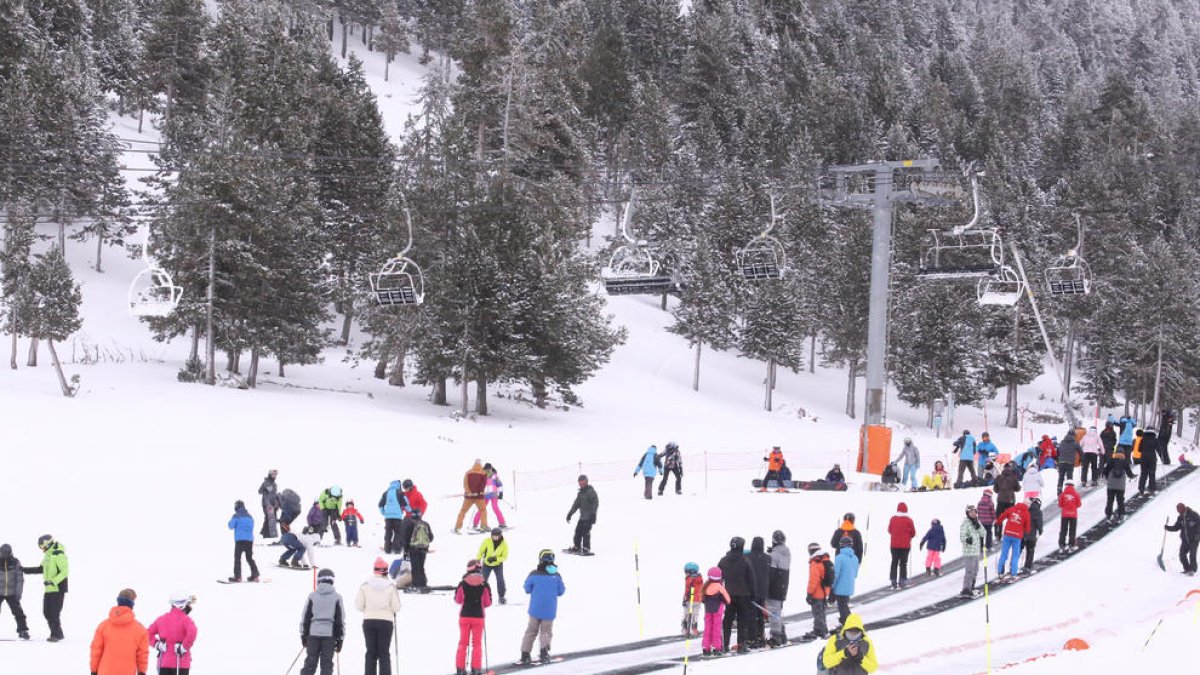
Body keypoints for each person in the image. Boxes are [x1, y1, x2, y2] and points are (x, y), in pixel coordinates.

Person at [520, 550, 565, 665]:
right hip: (549, 609)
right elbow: (561, 591)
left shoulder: (534, 574)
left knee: (531, 631)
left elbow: (527, 589)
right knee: (546, 631)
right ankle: (544, 653)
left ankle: (525, 654)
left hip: (535, 608)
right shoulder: (556, 575)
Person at [357, 558, 401, 675]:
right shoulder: (391, 586)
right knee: (384, 653)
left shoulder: (365, 585)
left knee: (371, 652)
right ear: (385, 571)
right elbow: (397, 608)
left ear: (374, 570)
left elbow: (359, 606)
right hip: (386, 622)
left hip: (369, 621)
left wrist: (369, 609)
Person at [90, 589, 148, 675]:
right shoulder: (140, 629)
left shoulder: (103, 626)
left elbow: (96, 650)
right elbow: (142, 655)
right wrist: (142, 671)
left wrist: (93, 670)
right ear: (132, 605)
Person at [21, 534, 67, 640]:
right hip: (49, 589)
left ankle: (56, 635)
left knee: (54, 613)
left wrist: (53, 581)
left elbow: (65, 572)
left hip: (58, 588)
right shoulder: (48, 555)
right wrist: (24, 570)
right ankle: (58, 633)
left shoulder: (58, 554)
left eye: (42, 546)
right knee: (46, 612)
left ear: (47, 543)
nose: (42, 549)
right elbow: (40, 569)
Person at [299, 569, 345, 675]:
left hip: (313, 634)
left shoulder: (312, 596)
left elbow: (306, 617)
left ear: (319, 580)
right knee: (326, 664)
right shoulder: (337, 597)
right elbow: (340, 620)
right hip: (329, 636)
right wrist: (340, 638)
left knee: (310, 662)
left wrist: (304, 635)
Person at [454, 560, 493, 675]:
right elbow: (488, 602)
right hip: (478, 617)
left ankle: (460, 669)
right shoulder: (484, 584)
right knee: (477, 644)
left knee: (462, 643)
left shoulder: (462, 583)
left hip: (464, 616)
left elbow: (458, 600)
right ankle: (476, 669)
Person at [718, 537, 755, 653]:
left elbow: (718, 577)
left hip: (728, 596)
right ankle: (742, 644)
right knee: (742, 621)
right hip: (743, 595)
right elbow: (751, 580)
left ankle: (724, 644)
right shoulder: (745, 561)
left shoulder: (723, 561)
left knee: (727, 621)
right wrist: (753, 595)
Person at [147, 591, 197, 675]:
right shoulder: (186, 620)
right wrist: (184, 647)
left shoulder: (161, 619)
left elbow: (147, 633)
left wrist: (157, 644)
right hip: (181, 663)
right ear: (183, 606)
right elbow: (192, 632)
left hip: (164, 663)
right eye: (188, 604)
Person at [766, 530, 791, 646]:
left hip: (774, 587)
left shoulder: (774, 555)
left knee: (773, 611)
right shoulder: (787, 553)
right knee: (778, 610)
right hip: (783, 586)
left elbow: (770, 572)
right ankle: (781, 633)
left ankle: (776, 636)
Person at [802, 543, 832, 641]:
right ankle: (819, 629)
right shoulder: (825, 560)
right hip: (824, 591)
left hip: (817, 592)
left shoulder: (815, 562)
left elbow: (813, 580)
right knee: (821, 612)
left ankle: (822, 631)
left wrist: (809, 593)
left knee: (817, 613)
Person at [996, 500, 1031, 580]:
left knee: (1004, 553)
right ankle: (1013, 574)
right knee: (1015, 555)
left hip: (1007, 533)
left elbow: (1003, 516)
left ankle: (1000, 572)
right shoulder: (1026, 513)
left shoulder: (1012, 508)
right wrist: (1025, 531)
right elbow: (1027, 528)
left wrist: (998, 522)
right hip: (1017, 536)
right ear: (1028, 506)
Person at [0, 543, 29, 640]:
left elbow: (20, 578)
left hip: (12, 593)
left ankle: (23, 630)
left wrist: (18, 593)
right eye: (3, 553)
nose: (4, 555)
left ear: (10, 553)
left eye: (6, 553)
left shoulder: (15, 562)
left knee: (18, 612)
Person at [747, 536, 771, 648]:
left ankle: (752, 638)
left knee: (751, 615)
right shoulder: (767, 558)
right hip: (763, 590)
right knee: (760, 614)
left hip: (751, 590)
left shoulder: (747, 557)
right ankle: (761, 635)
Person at [228, 500, 260, 582]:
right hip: (249, 540)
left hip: (240, 540)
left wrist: (233, 519)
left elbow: (230, 526)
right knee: (249, 558)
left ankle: (238, 577)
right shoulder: (250, 516)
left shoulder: (236, 516)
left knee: (237, 558)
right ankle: (255, 575)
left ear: (237, 506)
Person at [700, 567, 730, 657]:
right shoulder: (720, 588)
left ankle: (706, 648)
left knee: (707, 629)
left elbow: (702, 599)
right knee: (716, 629)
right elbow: (728, 600)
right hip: (718, 611)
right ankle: (717, 648)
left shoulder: (705, 587)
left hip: (708, 611)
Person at [565, 475, 599, 554]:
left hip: (590, 516)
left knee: (585, 532)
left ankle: (586, 548)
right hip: (583, 517)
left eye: (583, 483)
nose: (581, 485)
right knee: (578, 531)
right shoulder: (580, 494)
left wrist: (593, 514)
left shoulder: (591, 492)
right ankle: (577, 546)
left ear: (586, 482)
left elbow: (595, 503)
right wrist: (570, 514)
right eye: (580, 483)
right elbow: (576, 505)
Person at [830, 537, 859, 628]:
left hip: (840, 587)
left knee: (842, 606)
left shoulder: (839, 558)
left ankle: (847, 624)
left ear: (841, 545)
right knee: (844, 605)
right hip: (849, 586)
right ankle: (847, 622)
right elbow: (855, 573)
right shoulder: (855, 558)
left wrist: (832, 586)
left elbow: (836, 574)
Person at [1164, 503, 1200, 576]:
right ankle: (1187, 569)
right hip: (1185, 540)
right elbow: (1176, 527)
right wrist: (1168, 528)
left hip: (1194, 539)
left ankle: (1192, 570)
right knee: (1182, 555)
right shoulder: (1180, 518)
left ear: (1183, 508)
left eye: (1179, 509)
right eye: (1177, 510)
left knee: (1192, 555)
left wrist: (1198, 535)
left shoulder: (1193, 515)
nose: (1178, 511)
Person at [455, 460, 489, 533]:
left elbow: (465, 483)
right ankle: (484, 526)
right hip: (479, 497)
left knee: (463, 511)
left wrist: (468, 492)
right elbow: (483, 484)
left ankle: (457, 527)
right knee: (483, 511)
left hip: (469, 497)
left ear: (474, 464)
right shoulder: (483, 473)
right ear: (480, 464)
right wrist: (480, 492)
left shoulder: (468, 472)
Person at [887, 503, 915, 589]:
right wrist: (909, 536)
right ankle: (902, 580)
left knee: (894, 562)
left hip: (894, 545)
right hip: (905, 545)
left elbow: (889, 530)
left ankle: (893, 580)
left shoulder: (893, 519)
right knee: (903, 563)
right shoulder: (909, 520)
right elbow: (913, 533)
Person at [960, 505, 986, 597]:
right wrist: (967, 539)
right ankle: (966, 589)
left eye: (974, 512)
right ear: (967, 513)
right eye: (971, 512)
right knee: (969, 571)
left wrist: (978, 526)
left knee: (975, 570)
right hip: (969, 552)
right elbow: (962, 536)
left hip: (976, 551)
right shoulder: (965, 523)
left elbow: (983, 533)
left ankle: (972, 586)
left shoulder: (977, 522)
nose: (973, 514)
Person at [478, 528, 509, 604]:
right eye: (493, 536)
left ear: (500, 536)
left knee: (500, 580)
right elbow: (480, 551)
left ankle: (501, 597)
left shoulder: (504, 544)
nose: (494, 537)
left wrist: (496, 559)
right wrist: (477, 561)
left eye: (496, 536)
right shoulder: (487, 541)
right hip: (486, 564)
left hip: (497, 565)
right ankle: (480, 595)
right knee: (483, 580)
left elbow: (505, 557)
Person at [1102, 450, 1135, 521]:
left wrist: (1107, 477)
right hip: (1120, 485)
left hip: (1111, 484)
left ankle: (1108, 514)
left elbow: (1105, 471)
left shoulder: (1111, 461)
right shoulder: (1125, 462)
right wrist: (1132, 476)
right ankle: (1121, 514)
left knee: (1110, 499)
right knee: (1120, 500)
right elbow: (1129, 473)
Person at [472, 463, 507, 529]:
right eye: (486, 470)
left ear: (491, 469)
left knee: (495, 507)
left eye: (489, 470)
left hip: (494, 494)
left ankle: (502, 523)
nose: (487, 471)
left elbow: (500, 484)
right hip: (485, 495)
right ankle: (475, 524)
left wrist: (501, 493)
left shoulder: (494, 476)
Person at [407, 509, 434, 591]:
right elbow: (431, 537)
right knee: (421, 567)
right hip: (424, 549)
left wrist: (406, 549)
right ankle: (423, 583)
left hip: (413, 549)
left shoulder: (410, 524)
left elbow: (406, 537)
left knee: (415, 568)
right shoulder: (425, 524)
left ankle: (415, 584)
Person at [379, 480, 408, 555]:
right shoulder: (400, 493)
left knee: (388, 532)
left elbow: (380, 505)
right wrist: (410, 510)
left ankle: (387, 549)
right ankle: (396, 548)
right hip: (397, 517)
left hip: (388, 517)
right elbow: (405, 503)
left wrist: (384, 513)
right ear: (398, 485)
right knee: (398, 532)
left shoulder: (386, 493)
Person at [994, 465, 1021, 543]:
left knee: (999, 518)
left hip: (1000, 500)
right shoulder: (1014, 477)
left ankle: (997, 536)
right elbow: (1018, 489)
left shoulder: (999, 477)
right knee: (1012, 518)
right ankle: (1011, 534)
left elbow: (995, 489)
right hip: (1010, 500)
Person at [1021, 497, 1044, 575]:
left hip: (1022, 534)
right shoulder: (1038, 511)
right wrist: (1040, 531)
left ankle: (1013, 566)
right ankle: (1027, 566)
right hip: (1031, 534)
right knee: (1030, 551)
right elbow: (1039, 523)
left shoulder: (1024, 509)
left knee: (1019, 550)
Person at [681, 562, 703, 637]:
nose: (685, 573)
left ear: (690, 571)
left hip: (690, 599)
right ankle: (694, 629)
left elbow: (687, 590)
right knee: (695, 615)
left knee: (686, 614)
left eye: (686, 572)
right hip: (697, 600)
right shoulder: (700, 578)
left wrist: (685, 599)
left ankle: (685, 629)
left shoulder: (689, 579)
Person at [1058, 480, 1081, 552]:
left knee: (1063, 530)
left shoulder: (1063, 494)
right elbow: (1079, 504)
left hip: (1064, 514)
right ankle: (1071, 544)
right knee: (1072, 530)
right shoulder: (1076, 494)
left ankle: (1062, 545)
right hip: (1073, 515)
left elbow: (1060, 504)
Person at [1056, 429, 1081, 495]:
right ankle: (1069, 492)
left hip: (1061, 462)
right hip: (1070, 463)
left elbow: (1058, 452)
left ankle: (1059, 492)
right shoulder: (1075, 443)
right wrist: (1081, 460)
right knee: (1069, 477)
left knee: (1061, 477)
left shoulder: (1062, 442)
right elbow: (1081, 453)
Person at [259, 469, 280, 540]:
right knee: (269, 518)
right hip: (266, 503)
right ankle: (266, 534)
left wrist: (276, 503)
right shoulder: (266, 482)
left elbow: (273, 495)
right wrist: (265, 490)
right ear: (269, 475)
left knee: (270, 518)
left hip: (272, 503)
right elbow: (259, 491)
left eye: (275, 475)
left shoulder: (274, 484)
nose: (274, 476)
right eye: (273, 475)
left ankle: (263, 532)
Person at [1138, 427, 1159, 495]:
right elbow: (1158, 449)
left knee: (1143, 474)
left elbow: (1139, 449)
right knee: (1152, 474)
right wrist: (1162, 456)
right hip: (1152, 458)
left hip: (1143, 458)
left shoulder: (1143, 439)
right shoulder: (1155, 439)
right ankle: (1152, 489)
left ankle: (1141, 489)